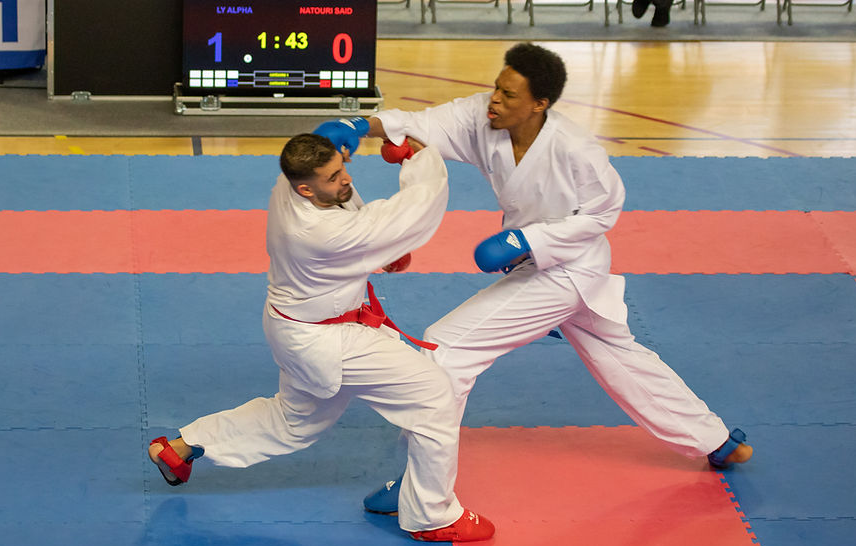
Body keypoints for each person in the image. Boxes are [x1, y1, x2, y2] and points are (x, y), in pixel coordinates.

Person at [313, 42, 753, 514]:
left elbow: (604, 210)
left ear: (539, 103)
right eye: (496, 88)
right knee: (619, 357)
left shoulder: (574, 148)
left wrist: (528, 240)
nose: (495, 100)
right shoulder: (484, 119)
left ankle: (421, 488)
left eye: (509, 95)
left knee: (446, 350)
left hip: (569, 268)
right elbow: (424, 123)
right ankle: (716, 441)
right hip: (544, 265)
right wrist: (360, 125)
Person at [147, 133, 495, 542]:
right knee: (434, 394)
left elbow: (348, 205)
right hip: (328, 341)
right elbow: (409, 213)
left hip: (296, 327)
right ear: (305, 189)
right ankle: (431, 515)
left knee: (293, 421)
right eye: (333, 177)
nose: (346, 179)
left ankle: (180, 448)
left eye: (342, 168)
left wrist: (336, 143)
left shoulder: (287, 184)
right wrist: (421, 160)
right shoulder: (320, 231)